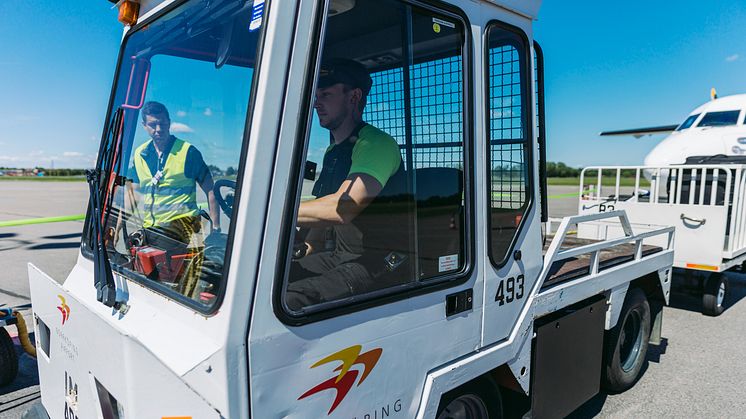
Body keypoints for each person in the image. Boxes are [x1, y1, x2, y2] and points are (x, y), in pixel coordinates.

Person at [286, 58, 408, 311]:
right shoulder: (334, 152)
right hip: (340, 257)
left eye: (326, 94)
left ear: (353, 97)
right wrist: (306, 248)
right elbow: (323, 215)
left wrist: (276, 212)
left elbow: (343, 208)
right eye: (316, 95)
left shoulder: (376, 144)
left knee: (291, 300)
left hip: (378, 260)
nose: (317, 103)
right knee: (278, 279)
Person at [128, 101, 221, 296]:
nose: (159, 129)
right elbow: (135, 192)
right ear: (144, 126)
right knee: (135, 255)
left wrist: (216, 229)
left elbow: (211, 190)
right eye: (153, 124)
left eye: (163, 123)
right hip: (152, 227)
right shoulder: (140, 154)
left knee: (158, 275)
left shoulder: (187, 152)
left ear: (169, 122)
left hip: (182, 226)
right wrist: (118, 224)